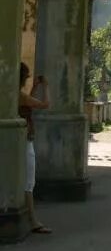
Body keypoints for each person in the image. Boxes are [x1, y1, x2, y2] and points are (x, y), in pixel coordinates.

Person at [18, 62, 51, 235]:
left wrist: (34, 88)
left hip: (20, 141)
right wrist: (45, 87)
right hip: (25, 142)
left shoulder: (15, 95)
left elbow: (27, 105)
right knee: (29, 182)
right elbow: (45, 104)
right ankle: (33, 221)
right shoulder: (19, 96)